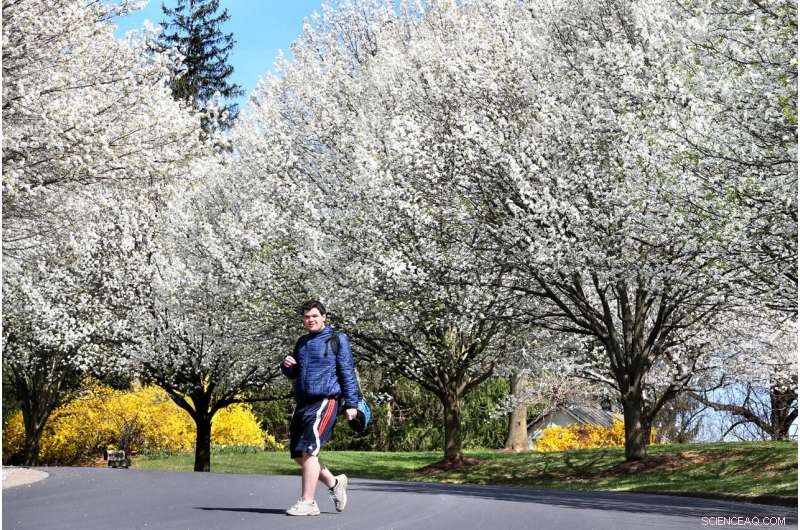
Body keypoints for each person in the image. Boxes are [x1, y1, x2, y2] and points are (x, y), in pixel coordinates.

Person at [280, 300, 358, 516]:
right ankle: (334, 483)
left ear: (324, 317)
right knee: (298, 453)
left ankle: (308, 502)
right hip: (303, 403)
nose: (310, 320)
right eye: (306, 317)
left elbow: (347, 373)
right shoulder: (302, 342)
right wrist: (287, 366)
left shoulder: (337, 340)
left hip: (326, 400)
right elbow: (296, 373)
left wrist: (351, 404)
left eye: (314, 316)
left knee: (309, 450)